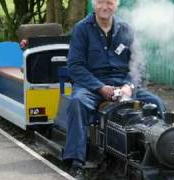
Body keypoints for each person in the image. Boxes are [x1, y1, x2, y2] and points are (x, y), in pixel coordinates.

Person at [64, 0, 166, 176]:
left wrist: (129, 85)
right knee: (77, 103)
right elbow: (75, 66)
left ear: (116, 5)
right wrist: (100, 87)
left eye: (110, 3)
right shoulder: (81, 29)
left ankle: (162, 152)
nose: (105, 7)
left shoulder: (126, 29)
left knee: (155, 102)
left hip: (123, 83)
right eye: (101, 2)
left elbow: (139, 64)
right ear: (93, 4)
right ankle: (76, 162)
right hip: (92, 85)